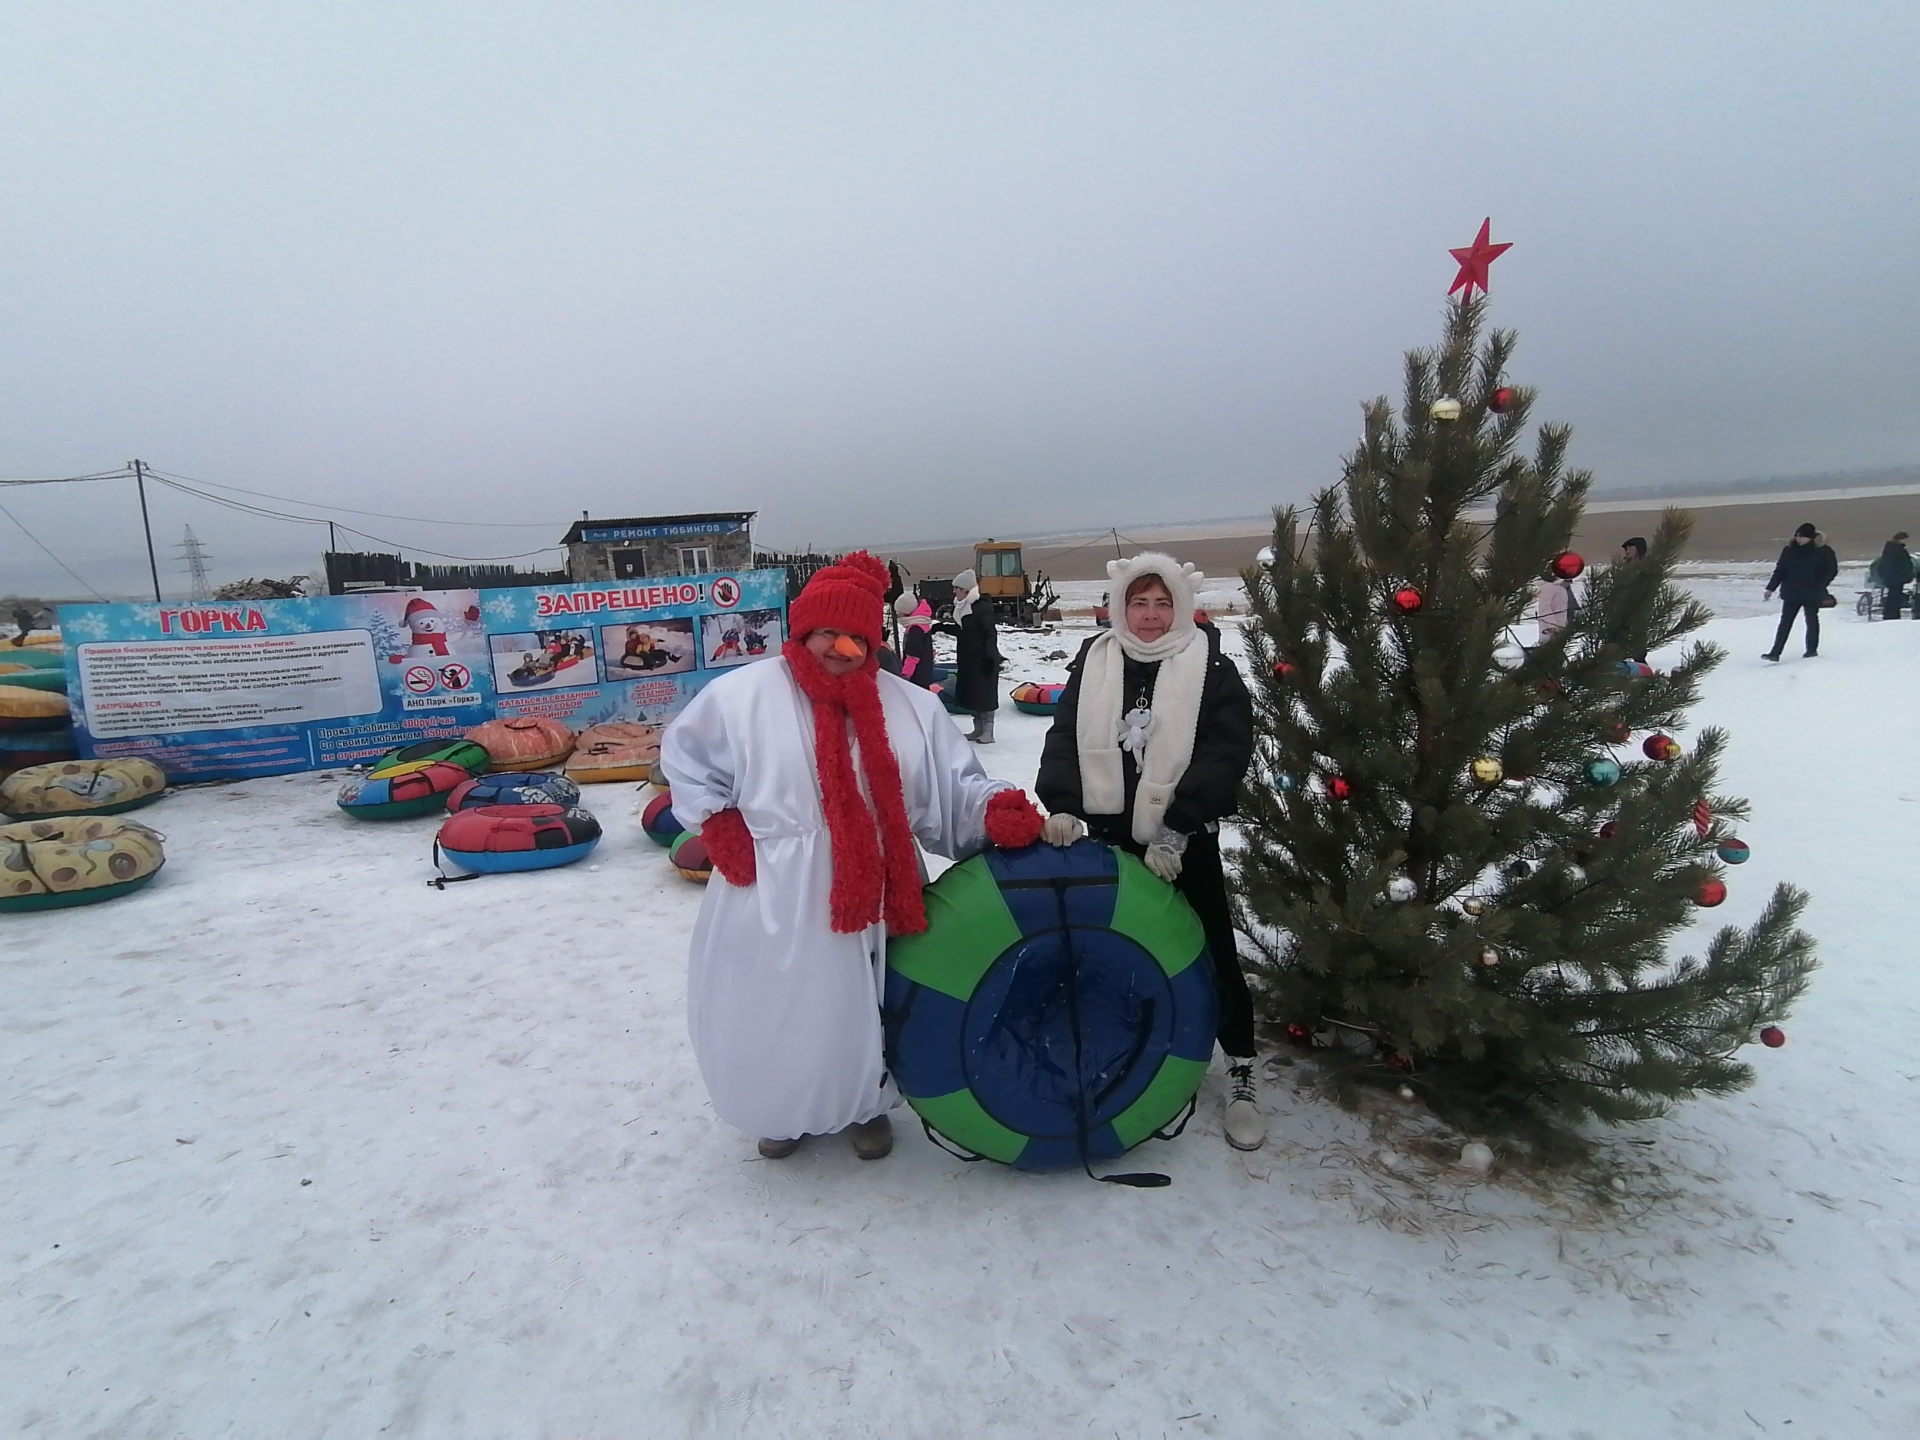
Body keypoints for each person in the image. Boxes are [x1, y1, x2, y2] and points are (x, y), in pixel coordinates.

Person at [660, 552, 1035, 1162]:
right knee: (779, 1005)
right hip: (776, 886)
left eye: (856, 637)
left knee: (874, 999)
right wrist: (718, 820)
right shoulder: (741, 696)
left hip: (884, 885)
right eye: (825, 634)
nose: (840, 648)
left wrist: (992, 810)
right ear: (800, 631)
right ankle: (781, 1110)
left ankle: (867, 1107)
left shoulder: (911, 705)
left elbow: (950, 786)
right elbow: (690, 760)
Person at [1033, 553, 1263, 1151]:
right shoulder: (1098, 658)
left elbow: (1227, 748)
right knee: (1115, 954)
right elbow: (1066, 733)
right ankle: (1137, 1057)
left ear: (1182, 606)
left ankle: (1239, 1065)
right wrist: (1063, 802)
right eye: (1140, 602)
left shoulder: (1210, 664)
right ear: (1120, 606)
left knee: (1210, 948)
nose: (1152, 615)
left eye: (1164, 603)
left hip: (1182, 842)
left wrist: (1180, 825)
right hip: (1109, 837)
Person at [935, 568, 1003, 744]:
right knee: (972, 694)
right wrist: (942, 627)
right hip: (968, 660)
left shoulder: (982, 608)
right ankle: (978, 729)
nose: (954, 591)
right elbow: (964, 632)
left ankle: (988, 732)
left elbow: (990, 633)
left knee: (985, 695)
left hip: (983, 660)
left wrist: (990, 655)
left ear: (965, 590)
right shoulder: (963, 608)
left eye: (956, 588)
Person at [1763, 522, 1837, 661]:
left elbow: (1831, 570)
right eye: (1797, 536)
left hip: (1812, 592)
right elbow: (1780, 571)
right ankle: (1775, 653)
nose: (1799, 539)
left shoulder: (1823, 551)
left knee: (1811, 620)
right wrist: (1770, 588)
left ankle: (1811, 650)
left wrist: (1820, 585)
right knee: (1785, 622)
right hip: (1791, 592)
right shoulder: (1789, 550)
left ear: (1811, 538)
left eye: (1803, 536)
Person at [894, 595, 939, 688]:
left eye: (899, 612)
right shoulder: (922, 622)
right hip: (924, 670)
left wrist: (905, 675)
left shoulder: (915, 629)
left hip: (917, 675)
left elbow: (913, 656)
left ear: (907, 612)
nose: (898, 615)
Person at [1876, 531, 1914, 620]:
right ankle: (1891, 615)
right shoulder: (1896, 550)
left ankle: (1892, 614)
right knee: (1894, 596)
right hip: (1896, 577)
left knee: (1894, 596)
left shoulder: (1891, 549)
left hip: (1894, 577)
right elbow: (1900, 564)